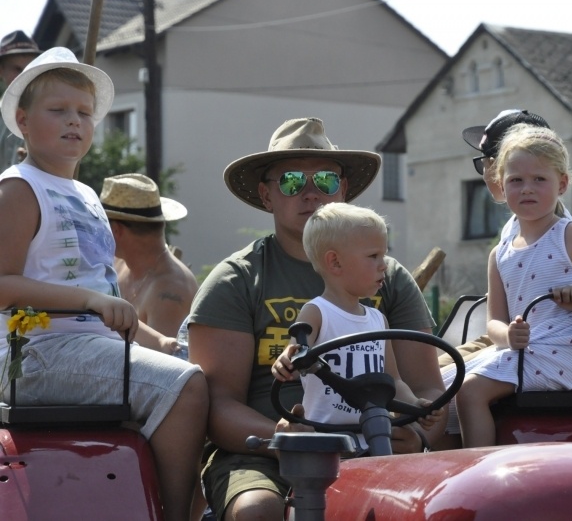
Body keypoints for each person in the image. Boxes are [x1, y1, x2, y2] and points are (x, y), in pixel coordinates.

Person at [188, 117, 445, 521]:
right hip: (265, 457)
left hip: (374, 445)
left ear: (343, 190)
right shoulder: (236, 280)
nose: (310, 194)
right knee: (257, 511)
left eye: (325, 180)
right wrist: (282, 435)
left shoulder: (388, 277)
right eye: (291, 181)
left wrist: (416, 433)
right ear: (266, 194)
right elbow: (217, 406)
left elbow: (427, 387)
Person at [0, 47, 208, 521]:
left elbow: (106, 294)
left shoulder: (88, 194)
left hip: (88, 349)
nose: (75, 121)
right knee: (189, 388)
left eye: (84, 113)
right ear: (23, 120)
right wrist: (90, 301)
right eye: (58, 111)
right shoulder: (18, 189)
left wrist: (161, 341)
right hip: (36, 354)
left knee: (203, 372)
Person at [453, 123, 572, 448]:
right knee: (443, 384)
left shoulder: (570, 235)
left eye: (539, 179)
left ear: (562, 184)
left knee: (470, 391)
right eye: (516, 180)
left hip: (569, 350)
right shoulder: (500, 253)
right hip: (526, 349)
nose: (527, 189)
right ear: (501, 184)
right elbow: (495, 321)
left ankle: (478, 468)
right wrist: (507, 335)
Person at [270, 202, 442, 450]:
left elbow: (393, 381)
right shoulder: (317, 312)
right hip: (327, 441)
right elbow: (296, 352)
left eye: (383, 254)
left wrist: (415, 405)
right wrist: (286, 361)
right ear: (335, 262)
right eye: (373, 256)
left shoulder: (377, 320)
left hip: (373, 438)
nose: (384, 264)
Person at [100, 173, 198, 355]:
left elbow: (161, 372)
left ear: (116, 230)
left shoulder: (171, 291)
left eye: (100, 223)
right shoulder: (116, 263)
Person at [0, 30, 41, 169]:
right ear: (1, 70)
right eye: (17, 69)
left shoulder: (50, 114)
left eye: (30, 68)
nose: (24, 75)